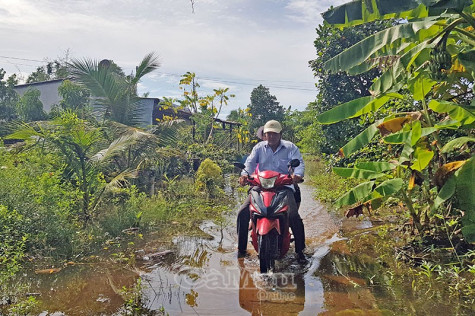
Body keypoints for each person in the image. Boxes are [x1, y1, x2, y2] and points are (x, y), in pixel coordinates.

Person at [237, 120, 306, 262]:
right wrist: (244, 175)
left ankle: (300, 251)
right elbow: (250, 163)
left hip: (284, 186)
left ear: (280, 134)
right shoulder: (258, 148)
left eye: (274, 134)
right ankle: (241, 249)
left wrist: (297, 175)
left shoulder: (290, 147)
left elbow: (299, 162)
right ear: (264, 135)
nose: (271, 137)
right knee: (243, 212)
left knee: (293, 215)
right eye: (268, 134)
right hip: (261, 185)